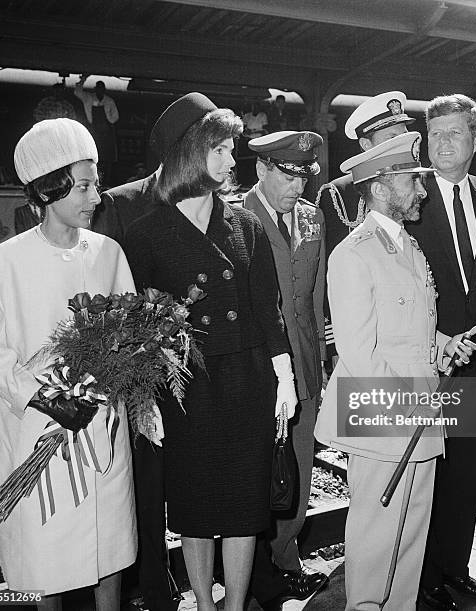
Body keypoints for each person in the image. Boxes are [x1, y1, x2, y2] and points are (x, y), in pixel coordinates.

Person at [123, 92, 296, 611]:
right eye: (218, 149)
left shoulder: (245, 225)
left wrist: (284, 376)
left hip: (246, 381)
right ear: (187, 154)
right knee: (195, 509)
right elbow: (136, 325)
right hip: (186, 388)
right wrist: (143, 398)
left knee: (245, 506)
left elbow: (268, 308)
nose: (229, 160)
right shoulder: (145, 234)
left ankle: (236, 604)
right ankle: (203, 602)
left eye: (230, 149)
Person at [0, 118, 136, 610]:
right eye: (85, 185)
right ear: (50, 189)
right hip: (37, 432)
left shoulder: (109, 253)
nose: (96, 196)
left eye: (96, 183)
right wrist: (45, 397)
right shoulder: (6, 261)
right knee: (48, 559)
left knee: (107, 551)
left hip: (101, 426)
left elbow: (130, 331)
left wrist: (115, 376)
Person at [314, 131, 476, 611]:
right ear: (381, 186)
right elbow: (360, 354)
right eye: (412, 179)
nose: (422, 190)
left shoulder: (409, 247)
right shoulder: (353, 255)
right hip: (384, 416)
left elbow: (411, 331)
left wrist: (447, 347)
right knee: (375, 536)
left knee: (410, 537)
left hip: (421, 414)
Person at [406, 94, 476, 611]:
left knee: (466, 469)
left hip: (474, 362)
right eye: (436, 133)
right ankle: (423, 577)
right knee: (425, 467)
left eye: (454, 133)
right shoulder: (410, 193)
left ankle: (455, 567)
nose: (442, 143)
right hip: (423, 360)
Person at [92, 101, 182, 611]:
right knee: (145, 485)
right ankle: (152, 582)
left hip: (197, 368)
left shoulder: (213, 203)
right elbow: (103, 294)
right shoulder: (118, 205)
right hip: (142, 373)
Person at [244, 131, 328, 608]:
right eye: (287, 174)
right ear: (262, 170)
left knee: (298, 471)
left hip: (306, 369)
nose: (297, 185)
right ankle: (265, 570)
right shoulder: (235, 217)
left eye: (303, 175)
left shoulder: (313, 218)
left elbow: (313, 297)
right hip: (261, 376)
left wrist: (319, 362)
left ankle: (284, 557)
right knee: (261, 475)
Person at [316, 91, 414, 361]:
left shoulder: (415, 187)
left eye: (403, 136)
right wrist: (334, 345)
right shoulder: (338, 193)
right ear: (364, 144)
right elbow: (331, 275)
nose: (400, 144)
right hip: (362, 336)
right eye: (390, 138)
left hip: (409, 330)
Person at [74, 74, 119, 184]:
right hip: (93, 132)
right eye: (98, 89)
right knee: (93, 158)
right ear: (95, 89)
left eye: (102, 89)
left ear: (104, 90)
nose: (100, 91)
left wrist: (109, 120)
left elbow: (115, 117)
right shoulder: (88, 98)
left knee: (107, 159)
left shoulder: (109, 101)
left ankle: (107, 181)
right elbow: (77, 92)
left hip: (107, 133)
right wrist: (83, 79)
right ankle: (94, 181)